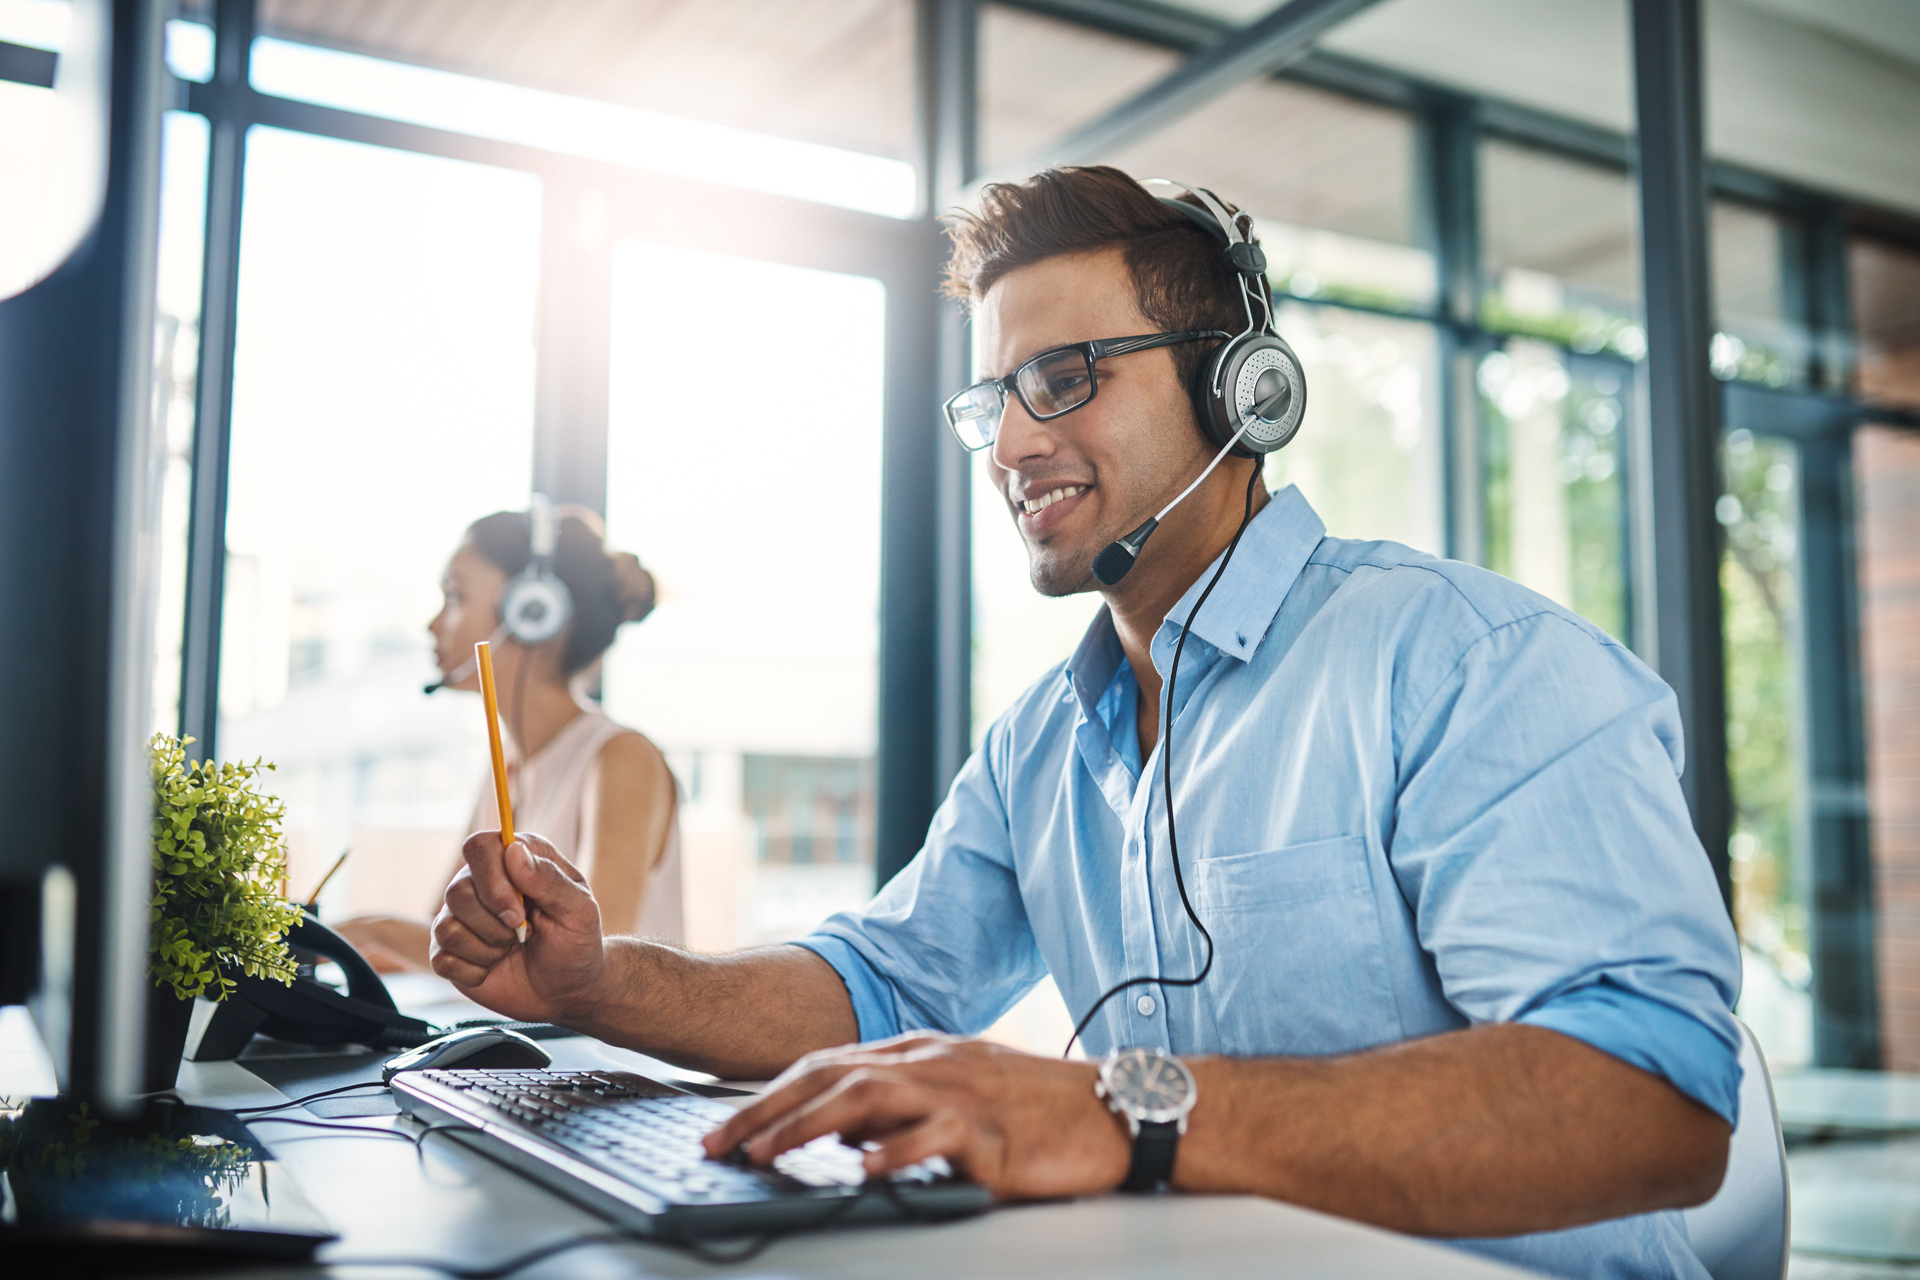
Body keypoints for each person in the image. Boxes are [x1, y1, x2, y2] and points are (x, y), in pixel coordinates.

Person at [427, 168, 1740, 1280]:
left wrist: (1120, 1112)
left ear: (1242, 394)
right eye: (992, 397)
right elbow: (877, 982)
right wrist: (603, 985)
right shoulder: (1045, 741)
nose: (1008, 444)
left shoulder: (1469, 662)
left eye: (1062, 378)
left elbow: (1652, 1100)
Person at [336, 505, 682, 972]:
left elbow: (592, 965)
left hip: (601, 1048)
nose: (433, 624)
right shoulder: (509, 768)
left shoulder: (621, 759)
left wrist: (373, 930)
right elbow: (445, 942)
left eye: (456, 597)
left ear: (530, 611)